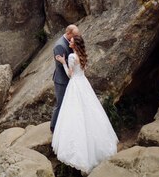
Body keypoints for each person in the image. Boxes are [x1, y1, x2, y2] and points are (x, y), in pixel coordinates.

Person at [51, 35, 118, 174]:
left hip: (75, 84)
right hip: (84, 83)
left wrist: (63, 62)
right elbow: (82, 71)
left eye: (72, 41)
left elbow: (70, 75)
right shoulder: (82, 56)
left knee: (74, 112)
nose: (69, 42)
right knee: (90, 111)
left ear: (75, 44)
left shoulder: (71, 57)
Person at [50, 24, 77, 133]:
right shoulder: (60, 45)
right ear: (68, 33)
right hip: (62, 80)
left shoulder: (70, 43)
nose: (76, 36)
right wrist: (68, 64)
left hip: (71, 78)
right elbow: (60, 66)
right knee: (60, 103)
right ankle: (53, 126)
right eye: (74, 35)